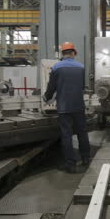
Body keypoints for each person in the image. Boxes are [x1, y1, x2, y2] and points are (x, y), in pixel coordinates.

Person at [43, 42, 90, 173]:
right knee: (82, 132)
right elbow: (82, 87)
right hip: (78, 106)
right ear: (73, 52)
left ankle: (71, 164)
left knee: (67, 135)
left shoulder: (56, 67)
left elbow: (51, 87)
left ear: (63, 54)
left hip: (64, 107)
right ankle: (86, 158)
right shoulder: (81, 67)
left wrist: (46, 98)